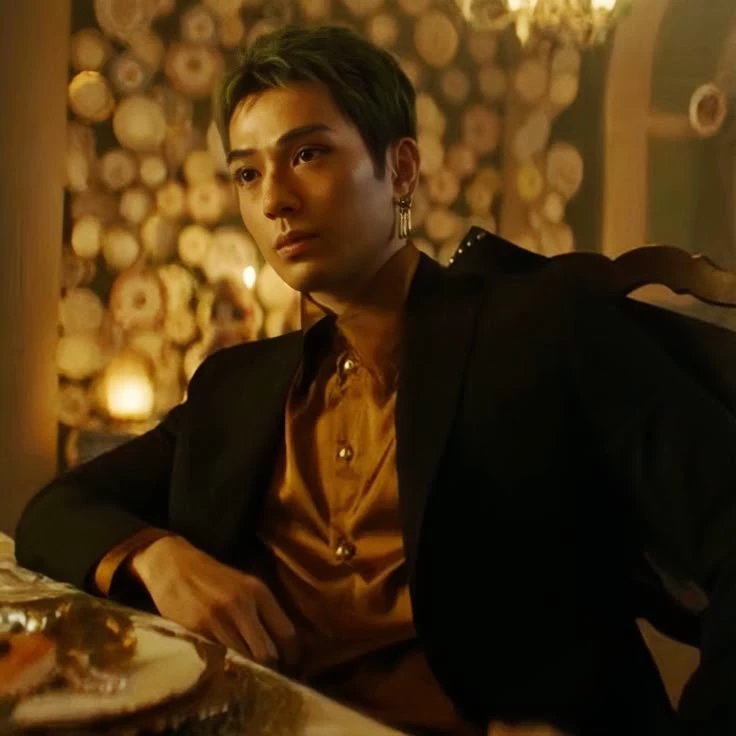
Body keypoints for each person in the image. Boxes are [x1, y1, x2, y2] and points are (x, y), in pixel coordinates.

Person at [14, 24, 736, 736]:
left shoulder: (539, 327)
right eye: (247, 173)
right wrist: (158, 556)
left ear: (402, 168)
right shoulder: (234, 387)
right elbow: (55, 511)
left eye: (307, 154)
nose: (274, 199)